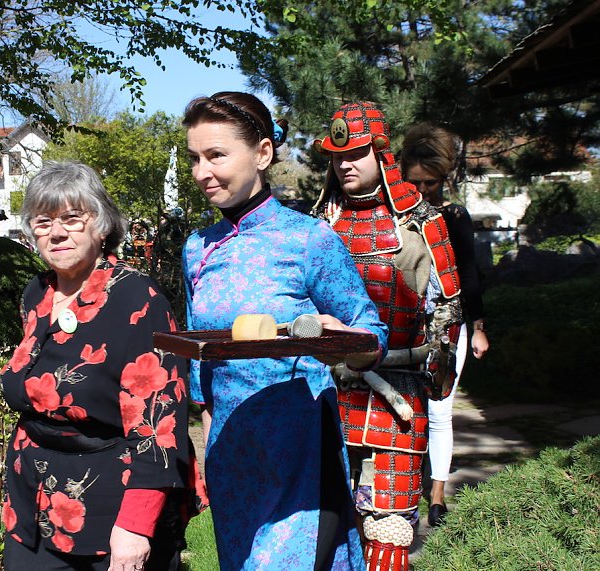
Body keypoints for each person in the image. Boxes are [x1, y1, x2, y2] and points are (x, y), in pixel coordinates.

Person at [182, 91, 388, 571]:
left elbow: (370, 334)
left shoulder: (308, 239)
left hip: (298, 447)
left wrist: (344, 343)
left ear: (262, 154)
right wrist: (210, 451)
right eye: (194, 158)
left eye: (216, 156)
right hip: (231, 451)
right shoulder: (197, 248)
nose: (201, 172)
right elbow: (203, 367)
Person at [0, 161, 205, 571]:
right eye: (42, 222)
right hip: (31, 501)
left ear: (103, 225)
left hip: (110, 510)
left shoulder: (136, 300)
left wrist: (135, 527)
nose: (56, 233)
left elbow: (159, 426)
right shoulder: (36, 294)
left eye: (72, 219)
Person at [312, 102, 463, 570]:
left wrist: (433, 367)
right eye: (337, 156)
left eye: (355, 153)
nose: (345, 164)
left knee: (389, 534)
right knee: (323, 527)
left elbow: (450, 308)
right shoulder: (320, 224)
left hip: (396, 392)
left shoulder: (421, 223)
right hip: (325, 391)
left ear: (380, 152)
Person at [401, 123, 490, 527]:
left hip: (449, 327)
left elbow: (469, 276)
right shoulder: (390, 217)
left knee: (439, 412)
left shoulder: (455, 217)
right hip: (401, 325)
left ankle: (436, 495)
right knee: (404, 409)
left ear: (445, 178)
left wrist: (480, 326)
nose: (422, 191)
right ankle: (400, 486)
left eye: (431, 183)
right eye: (413, 182)